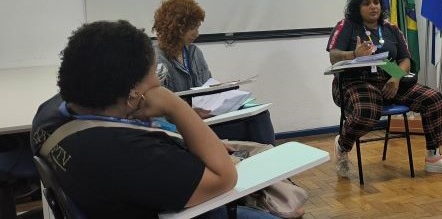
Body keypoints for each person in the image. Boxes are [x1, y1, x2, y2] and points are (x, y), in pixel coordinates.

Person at [30, 20, 275, 218]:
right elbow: (225, 178)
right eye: (153, 75)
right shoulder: (125, 152)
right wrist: (174, 105)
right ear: (132, 94)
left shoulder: (50, 112)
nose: (158, 84)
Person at [326, 0, 442, 177]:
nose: (373, 6)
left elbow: (405, 60)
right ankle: (343, 145)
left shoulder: (391, 28)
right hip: (354, 81)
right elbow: (333, 56)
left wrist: (397, 77)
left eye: (376, 2)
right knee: (368, 111)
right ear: (357, 7)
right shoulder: (346, 26)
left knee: (433, 99)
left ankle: (434, 158)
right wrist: (353, 54)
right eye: (366, 3)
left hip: (390, 78)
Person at [153, 0, 276, 145]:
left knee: (259, 113)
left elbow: (208, 87)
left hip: (207, 118)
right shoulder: (156, 60)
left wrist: (224, 95)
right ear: (176, 28)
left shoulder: (194, 53)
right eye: (193, 28)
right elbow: (159, 108)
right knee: (253, 126)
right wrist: (190, 112)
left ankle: (263, 161)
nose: (197, 34)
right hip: (184, 126)